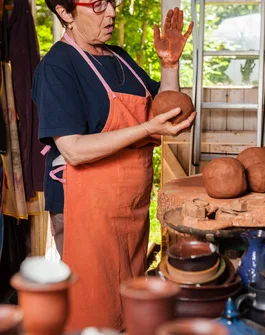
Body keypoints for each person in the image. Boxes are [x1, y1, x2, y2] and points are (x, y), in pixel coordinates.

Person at [32, 0, 195, 331]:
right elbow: (73, 149)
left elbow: (167, 111)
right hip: (85, 211)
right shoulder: (57, 67)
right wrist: (147, 130)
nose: (111, 12)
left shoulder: (120, 58)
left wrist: (170, 66)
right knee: (94, 314)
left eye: (111, 2)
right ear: (65, 12)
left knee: (131, 308)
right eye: (97, 5)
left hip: (129, 211)